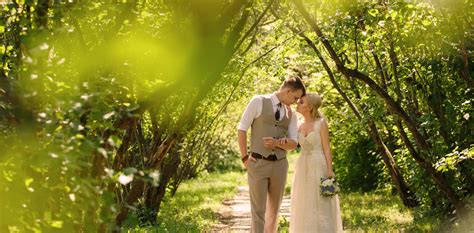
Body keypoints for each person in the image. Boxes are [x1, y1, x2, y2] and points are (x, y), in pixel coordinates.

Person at [237, 77, 306, 233]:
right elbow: (242, 129)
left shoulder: (291, 114)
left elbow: (294, 143)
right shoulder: (258, 101)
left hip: (280, 166)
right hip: (258, 163)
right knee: (258, 212)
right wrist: (245, 158)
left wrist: (277, 143)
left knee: (273, 212)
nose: (296, 102)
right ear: (288, 91)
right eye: (295, 98)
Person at [289, 92, 343, 232]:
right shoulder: (299, 125)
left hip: (319, 164)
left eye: (301, 102)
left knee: (320, 201)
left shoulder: (321, 123)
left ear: (310, 107)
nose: (298, 103)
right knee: (304, 201)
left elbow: (326, 149)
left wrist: (330, 170)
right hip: (302, 165)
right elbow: (291, 144)